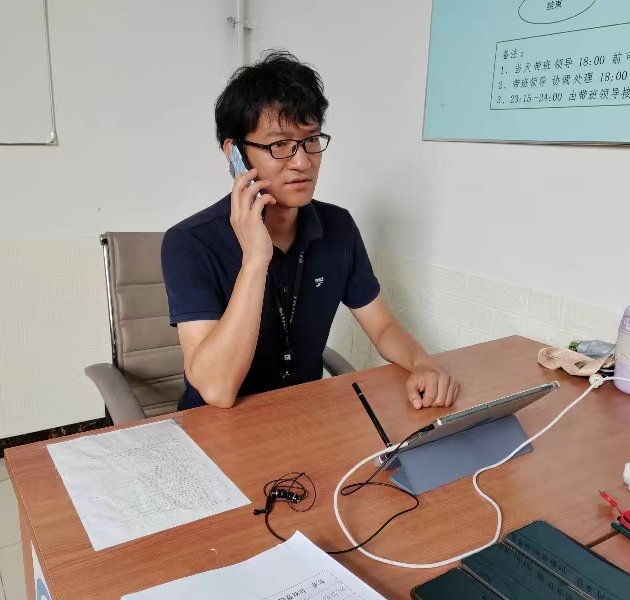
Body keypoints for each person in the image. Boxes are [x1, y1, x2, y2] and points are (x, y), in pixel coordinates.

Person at [161, 50, 460, 411]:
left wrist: (422, 362)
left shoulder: (338, 227)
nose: (303, 161)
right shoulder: (189, 244)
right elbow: (216, 390)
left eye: (311, 140)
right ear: (235, 153)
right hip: (215, 428)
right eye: (280, 145)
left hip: (305, 417)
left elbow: (382, 327)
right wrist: (255, 260)